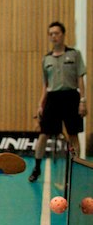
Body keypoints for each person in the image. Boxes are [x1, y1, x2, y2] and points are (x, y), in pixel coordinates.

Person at [28, 21, 87, 182]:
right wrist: (41, 104)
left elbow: (80, 79)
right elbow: (45, 85)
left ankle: (77, 169)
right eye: (51, 34)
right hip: (52, 99)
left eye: (57, 33)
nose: (54, 36)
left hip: (71, 97)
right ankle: (36, 168)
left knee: (73, 135)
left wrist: (83, 100)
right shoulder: (46, 59)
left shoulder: (74, 54)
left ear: (63, 34)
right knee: (43, 134)